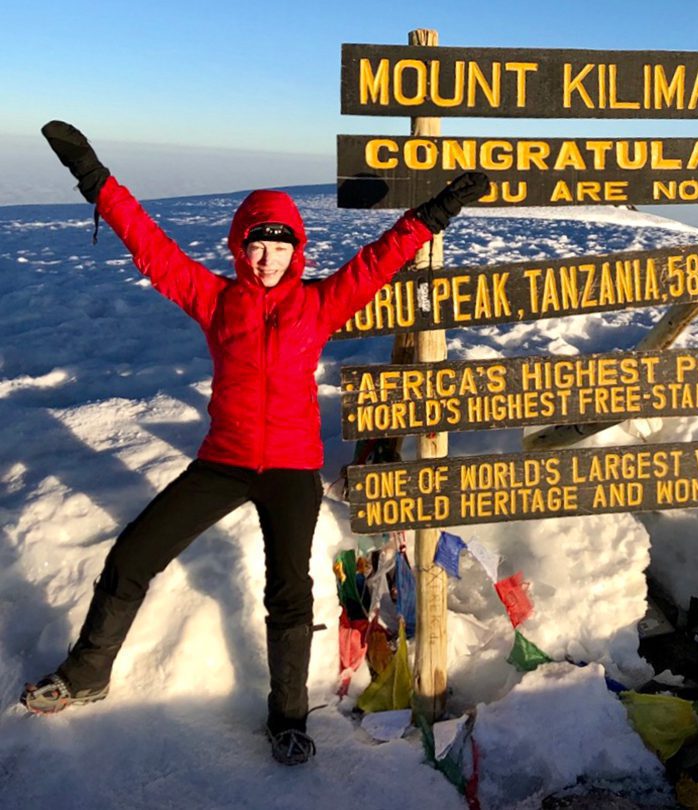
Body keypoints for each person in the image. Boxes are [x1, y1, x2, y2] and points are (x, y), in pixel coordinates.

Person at [21, 121, 489, 764]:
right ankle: (87, 674)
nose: (267, 256)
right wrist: (95, 178)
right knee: (132, 556)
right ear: (241, 247)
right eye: (257, 243)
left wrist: (437, 212)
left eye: (280, 244)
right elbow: (150, 245)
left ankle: (290, 719)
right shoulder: (214, 300)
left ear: (296, 250)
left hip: (293, 467)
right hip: (223, 462)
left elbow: (382, 258)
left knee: (288, 593)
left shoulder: (320, 304)